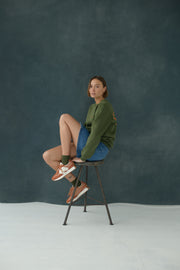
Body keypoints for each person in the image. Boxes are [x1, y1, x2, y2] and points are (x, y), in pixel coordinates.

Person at [42, 75, 117, 204]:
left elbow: (96, 134)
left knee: (64, 117)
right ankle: (77, 184)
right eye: (91, 86)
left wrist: (84, 156)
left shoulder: (105, 106)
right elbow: (88, 133)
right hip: (89, 143)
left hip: (98, 148)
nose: (92, 89)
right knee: (48, 156)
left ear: (104, 89)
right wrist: (74, 144)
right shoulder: (93, 107)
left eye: (97, 86)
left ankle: (65, 163)